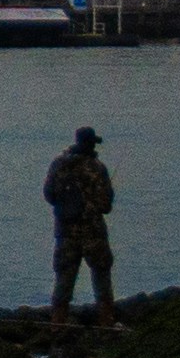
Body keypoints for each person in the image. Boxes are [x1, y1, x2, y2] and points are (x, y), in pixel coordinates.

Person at [42, 126, 119, 312]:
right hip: (93, 233)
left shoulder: (58, 164)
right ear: (92, 144)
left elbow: (49, 195)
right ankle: (106, 324)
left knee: (63, 281)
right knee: (101, 278)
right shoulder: (97, 168)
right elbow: (105, 205)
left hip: (65, 232)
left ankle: (57, 326)